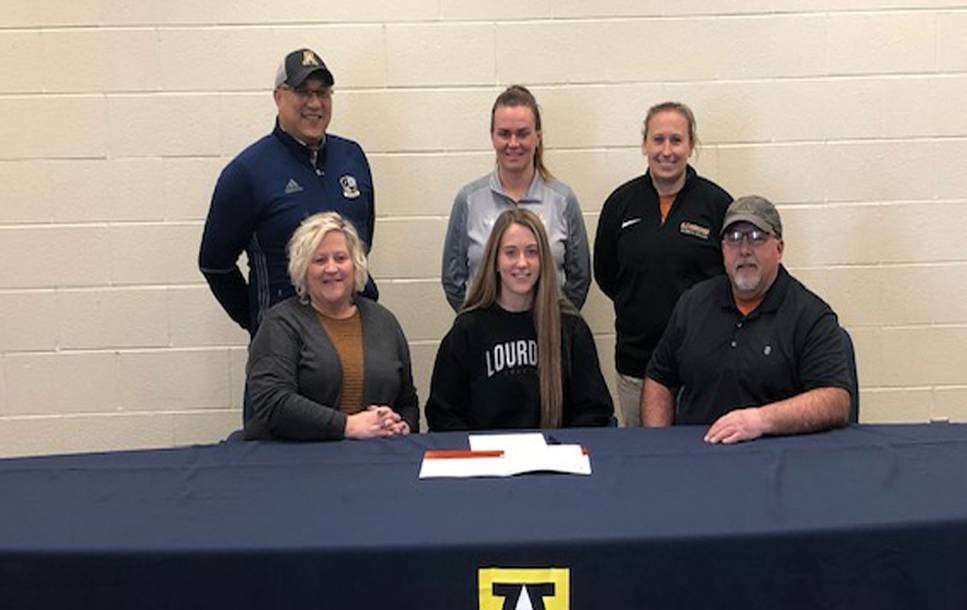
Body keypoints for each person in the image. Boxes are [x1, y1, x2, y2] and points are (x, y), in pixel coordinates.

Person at [643, 196, 852, 444]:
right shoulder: (693, 303)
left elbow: (835, 400)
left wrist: (761, 420)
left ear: (779, 248)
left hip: (777, 454)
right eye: (733, 238)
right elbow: (659, 379)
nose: (744, 250)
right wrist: (659, 444)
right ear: (723, 250)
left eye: (756, 237)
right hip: (698, 451)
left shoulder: (810, 315)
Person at [199, 48, 377, 337]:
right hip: (286, 344)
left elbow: (362, 243)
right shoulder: (247, 172)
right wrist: (262, 322)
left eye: (323, 93)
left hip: (354, 333)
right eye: (303, 92)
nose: (315, 103)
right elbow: (214, 264)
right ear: (278, 97)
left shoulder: (352, 157)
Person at [594, 101, 732, 427]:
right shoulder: (620, 204)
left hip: (700, 365)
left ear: (691, 145)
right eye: (658, 140)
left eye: (676, 140)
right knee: (643, 453)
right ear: (645, 144)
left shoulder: (716, 205)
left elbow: (732, 279)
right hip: (636, 365)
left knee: (700, 452)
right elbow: (606, 273)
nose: (667, 151)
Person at [427, 208, 613, 431]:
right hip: (487, 452)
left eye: (532, 252)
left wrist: (560, 446)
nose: (522, 263)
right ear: (495, 261)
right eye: (511, 253)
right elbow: (443, 413)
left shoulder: (570, 327)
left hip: (552, 449)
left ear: (543, 260)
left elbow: (594, 410)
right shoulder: (467, 329)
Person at [244, 212, 417, 441]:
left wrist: (400, 425)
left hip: (375, 454)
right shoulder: (280, 323)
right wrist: (347, 426)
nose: (332, 268)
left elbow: (407, 401)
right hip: (295, 455)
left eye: (340, 258)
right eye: (320, 260)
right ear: (303, 269)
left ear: (355, 265)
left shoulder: (385, 321)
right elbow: (273, 400)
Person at [442, 85, 591, 312]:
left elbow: (579, 278)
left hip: (547, 328)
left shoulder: (562, 200)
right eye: (504, 134)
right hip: (486, 331)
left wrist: (555, 320)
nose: (513, 143)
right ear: (492, 137)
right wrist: (478, 323)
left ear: (538, 137)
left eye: (522, 133)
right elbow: (453, 280)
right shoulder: (469, 200)